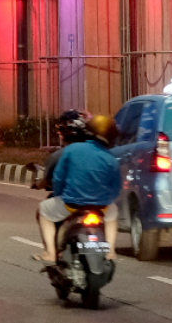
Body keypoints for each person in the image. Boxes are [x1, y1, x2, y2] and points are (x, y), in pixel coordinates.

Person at [34, 111, 123, 264]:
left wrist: (60, 194)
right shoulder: (110, 159)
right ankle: (111, 251)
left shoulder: (71, 151)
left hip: (71, 204)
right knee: (113, 214)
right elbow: (116, 188)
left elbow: (58, 179)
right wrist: (106, 199)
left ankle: (50, 253)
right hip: (101, 207)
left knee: (43, 211)